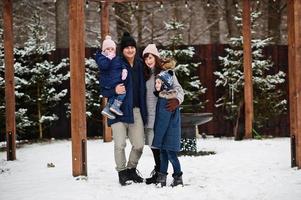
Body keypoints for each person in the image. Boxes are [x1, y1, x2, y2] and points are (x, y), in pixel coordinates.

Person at [100, 32, 147, 186]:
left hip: (135, 110)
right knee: (120, 144)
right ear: (122, 50)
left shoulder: (141, 64)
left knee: (139, 145)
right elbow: (103, 88)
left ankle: (131, 169)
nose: (130, 50)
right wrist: (114, 91)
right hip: (117, 109)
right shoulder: (115, 63)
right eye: (126, 47)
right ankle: (122, 173)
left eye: (132, 47)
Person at [142, 44, 184, 186]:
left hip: (163, 115)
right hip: (149, 115)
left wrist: (177, 100)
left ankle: (162, 174)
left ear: (156, 57)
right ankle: (160, 173)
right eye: (146, 58)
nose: (148, 60)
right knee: (155, 147)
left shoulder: (167, 73)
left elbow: (179, 90)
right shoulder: (143, 74)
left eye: (151, 57)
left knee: (164, 148)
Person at [152, 58, 185, 187]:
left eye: (159, 83)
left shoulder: (167, 101)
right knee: (163, 154)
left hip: (168, 131)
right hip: (165, 131)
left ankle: (178, 177)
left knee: (170, 154)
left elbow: (164, 120)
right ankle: (162, 177)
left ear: (165, 84)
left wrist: (158, 136)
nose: (157, 85)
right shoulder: (162, 99)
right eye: (157, 83)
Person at [95, 35, 128, 119]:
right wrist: (108, 58)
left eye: (112, 49)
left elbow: (122, 64)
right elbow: (104, 66)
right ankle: (115, 106)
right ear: (103, 50)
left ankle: (107, 109)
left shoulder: (117, 58)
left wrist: (124, 70)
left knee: (115, 95)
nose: (110, 51)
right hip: (108, 82)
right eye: (108, 49)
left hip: (115, 81)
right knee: (122, 92)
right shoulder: (101, 58)